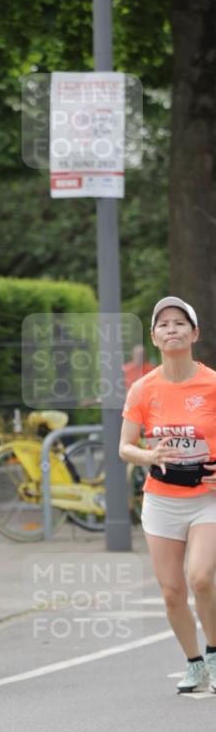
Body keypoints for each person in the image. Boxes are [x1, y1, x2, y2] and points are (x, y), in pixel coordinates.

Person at [119, 297, 216, 694]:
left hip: (208, 496)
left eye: (180, 323)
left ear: (194, 334)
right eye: (163, 324)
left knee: (201, 577)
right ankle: (194, 663)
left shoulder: (212, 384)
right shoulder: (144, 389)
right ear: (155, 338)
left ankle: (214, 652)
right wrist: (150, 454)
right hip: (161, 499)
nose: (171, 329)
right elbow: (125, 446)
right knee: (172, 590)